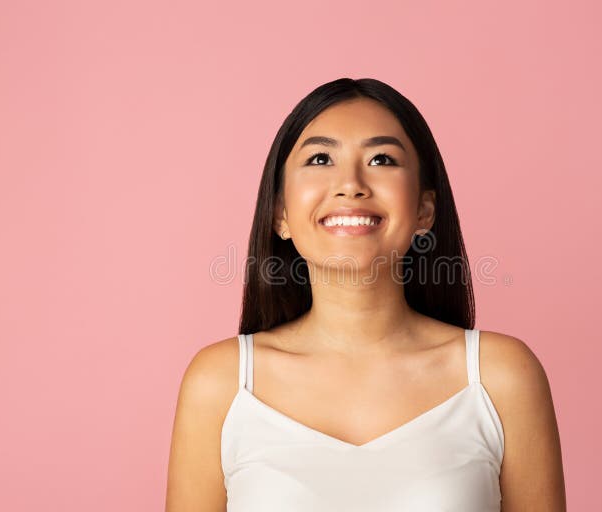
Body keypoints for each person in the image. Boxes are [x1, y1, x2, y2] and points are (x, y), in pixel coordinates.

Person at [165, 77, 566, 511]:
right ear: (280, 213)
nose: (351, 184)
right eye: (320, 158)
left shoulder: (500, 377)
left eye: (381, 159)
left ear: (425, 211)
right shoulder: (221, 384)